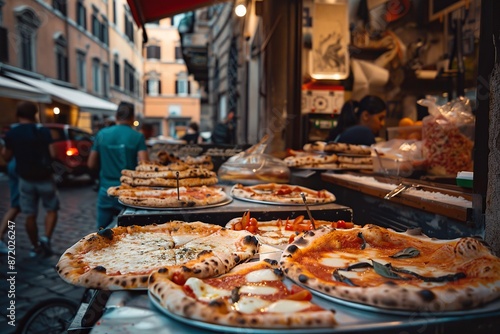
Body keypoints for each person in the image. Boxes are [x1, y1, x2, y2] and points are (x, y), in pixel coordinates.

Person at [2, 102, 60, 257]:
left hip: (25, 179)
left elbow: (6, 156)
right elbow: (53, 154)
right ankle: (46, 238)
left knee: (30, 214)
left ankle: (35, 246)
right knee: (51, 209)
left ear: (18, 114)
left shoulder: (12, 133)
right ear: (34, 114)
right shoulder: (43, 131)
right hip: (45, 177)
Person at [88, 102, 149, 229]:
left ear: (116, 116)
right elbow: (145, 166)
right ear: (132, 118)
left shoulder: (102, 134)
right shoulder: (137, 136)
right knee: (129, 230)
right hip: (128, 192)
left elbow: (91, 164)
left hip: (106, 189)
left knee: (102, 231)